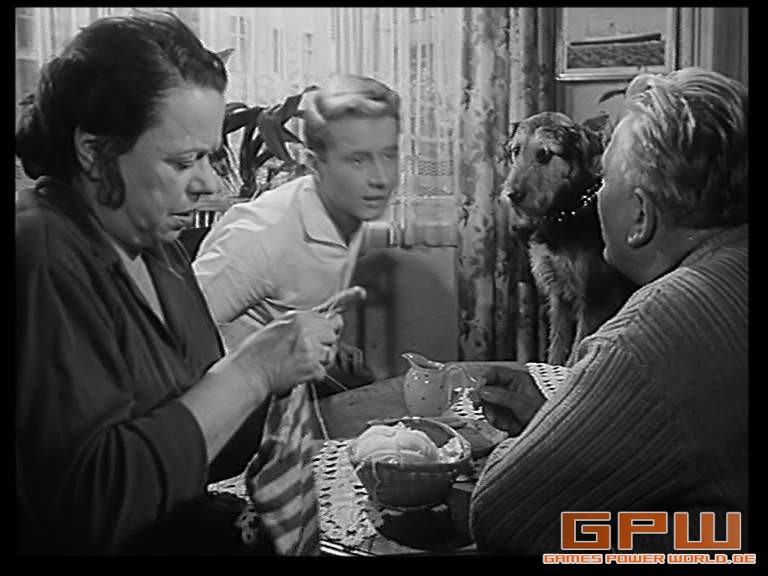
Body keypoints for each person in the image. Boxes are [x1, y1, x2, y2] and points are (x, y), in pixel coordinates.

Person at [16, 12, 342, 555]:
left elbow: (193, 428)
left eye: (209, 157)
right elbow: (92, 509)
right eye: (183, 161)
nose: (208, 184)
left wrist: (282, 379)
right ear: (94, 151)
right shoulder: (42, 251)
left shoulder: (157, 245)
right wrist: (252, 371)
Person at [470, 67, 748, 554]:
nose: (595, 195)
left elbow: (500, 514)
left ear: (640, 216)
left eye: (604, 181)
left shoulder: (647, 336)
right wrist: (560, 423)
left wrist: (531, 451)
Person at [192, 73, 401, 395]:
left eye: (388, 155)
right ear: (314, 164)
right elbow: (170, 339)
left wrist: (329, 349)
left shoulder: (349, 206)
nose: (381, 178)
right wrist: (263, 356)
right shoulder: (262, 238)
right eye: (358, 160)